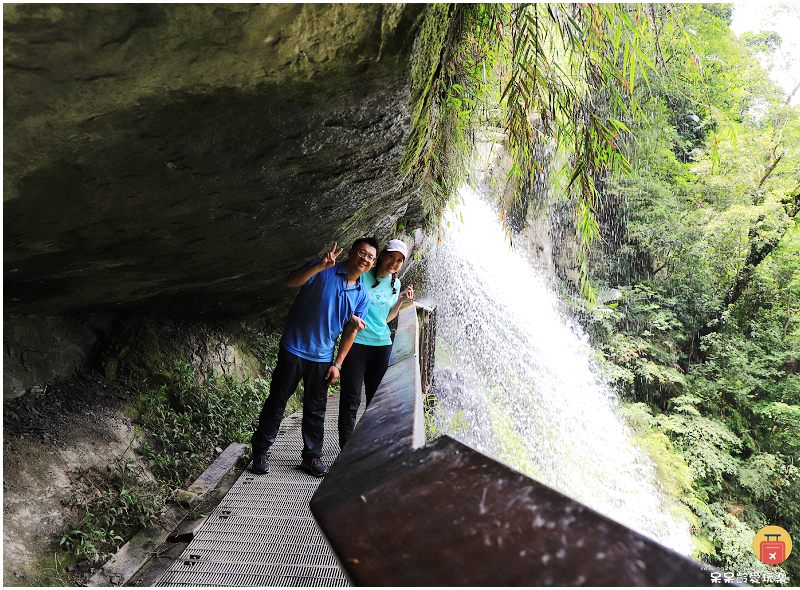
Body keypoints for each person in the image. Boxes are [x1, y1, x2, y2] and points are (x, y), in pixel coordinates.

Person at [250, 238, 378, 477]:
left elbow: (351, 330)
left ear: (372, 264)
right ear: (351, 252)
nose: (365, 259)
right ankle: (261, 450)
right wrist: (319, 266)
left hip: (323, 356)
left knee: (316, 409)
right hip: (294, 348)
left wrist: (337, 364)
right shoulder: (324, 269)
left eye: (371, 257)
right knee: (278, 400)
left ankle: (312, 456)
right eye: (362, 252)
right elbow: (291, 281)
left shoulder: (362, 294)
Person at [338, 239, 414, 449]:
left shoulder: (395, 284)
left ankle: (369, 447)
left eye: (399, 260)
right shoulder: (361, 274)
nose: (394, 263)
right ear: (381, 255)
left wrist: (400, 300)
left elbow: (386, 319)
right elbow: (342, 300)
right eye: (391, 256)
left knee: (376, 401)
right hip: (356, 342)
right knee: (350, 399)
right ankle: (346, 450)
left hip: (381, 345)